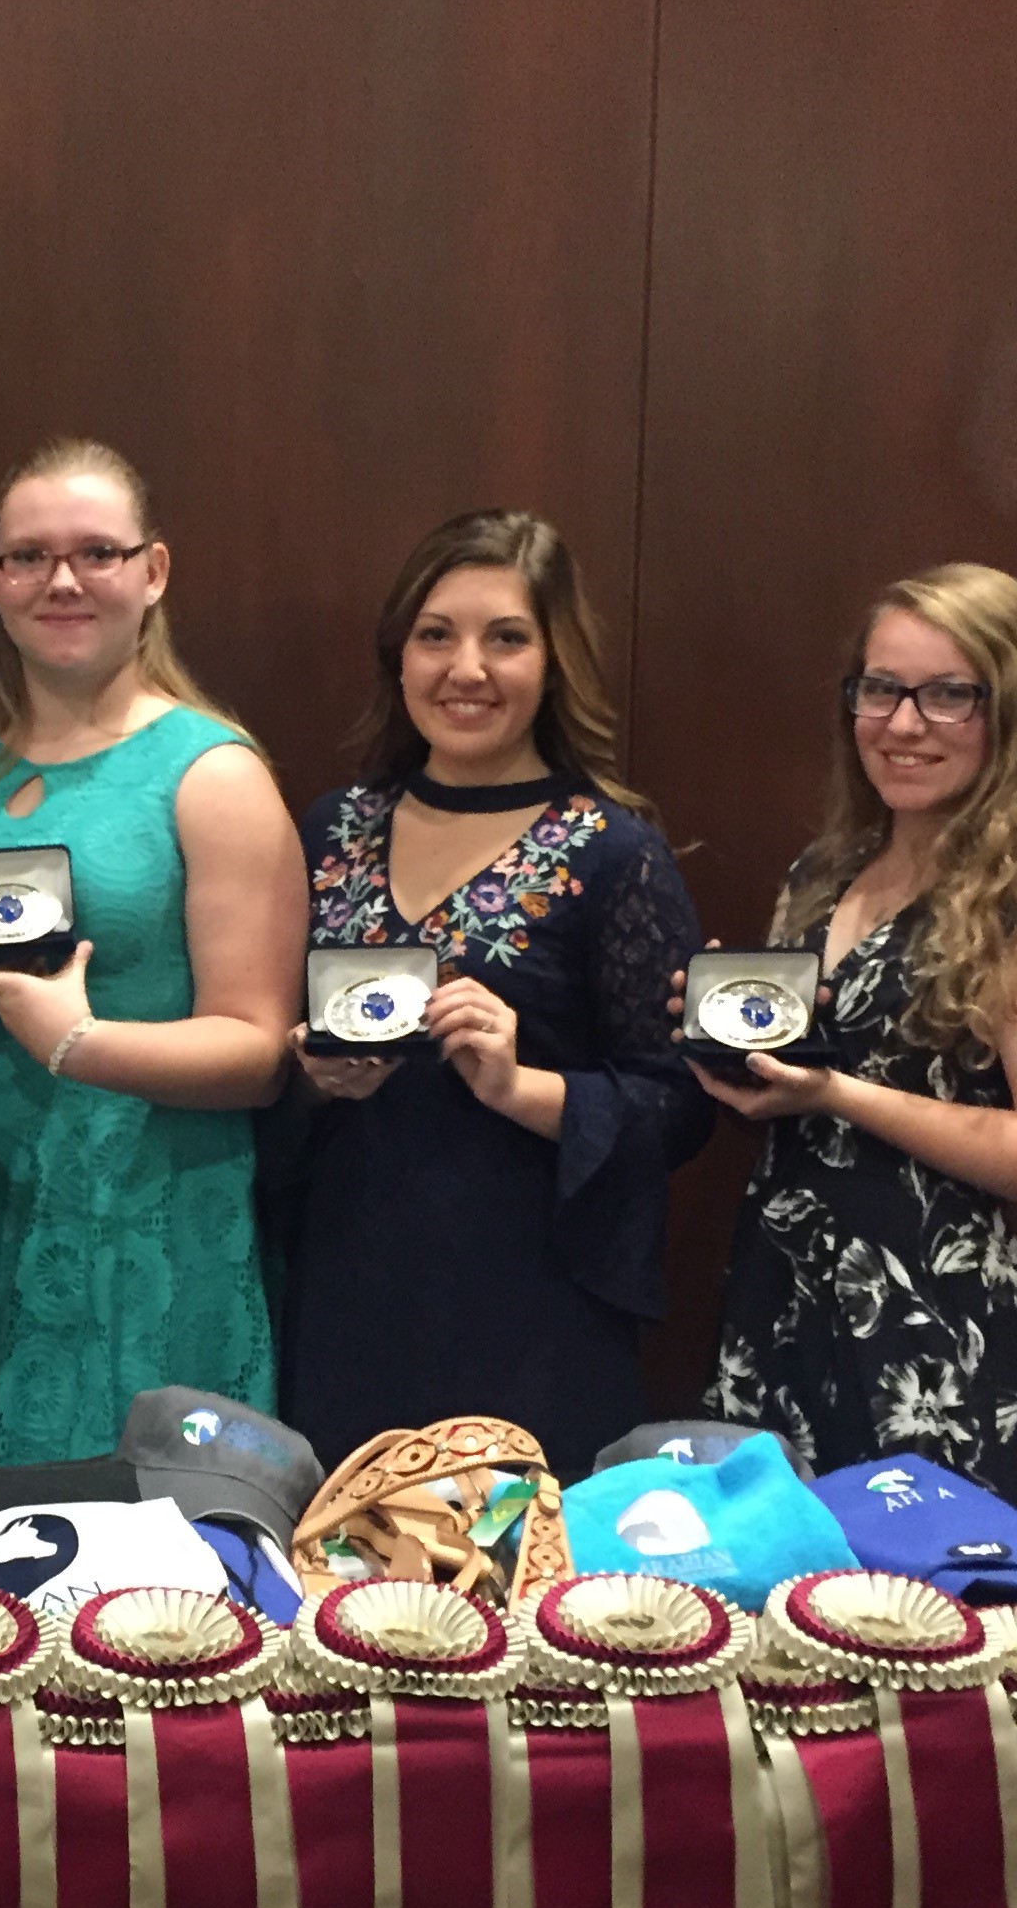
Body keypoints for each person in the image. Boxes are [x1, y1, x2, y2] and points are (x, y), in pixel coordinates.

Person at [0, 436, 305, 1464]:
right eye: (29, 556)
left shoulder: (213, 773)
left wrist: (78, 1041)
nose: (63, 580)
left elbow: (257, 1051)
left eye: (98, 552)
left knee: (141, 1591)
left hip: (141, 1223)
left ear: (153, 573)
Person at [278, 511, 710, 1471]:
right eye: (436, 635)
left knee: (513, 1602)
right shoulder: (331, 829)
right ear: (398, 657)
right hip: (347, 1282)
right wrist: (311, 1077)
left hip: (531, 1305)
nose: (465, 669)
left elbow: (679, 1108)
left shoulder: (612, 851)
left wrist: (524, 1090)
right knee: (344, 1590)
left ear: (555, 661)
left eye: (505, 638)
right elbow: (264, 1047)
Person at [698, 563, 1017, 1534]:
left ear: (1015, 712)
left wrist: (839, 1095)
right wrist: (730, 1035)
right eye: (880, 689)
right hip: (786, 1318)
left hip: (944, 1356)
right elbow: (808, 1065)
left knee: (934, 1670)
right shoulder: (826, 873)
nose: (902, 722)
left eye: (947, 695)